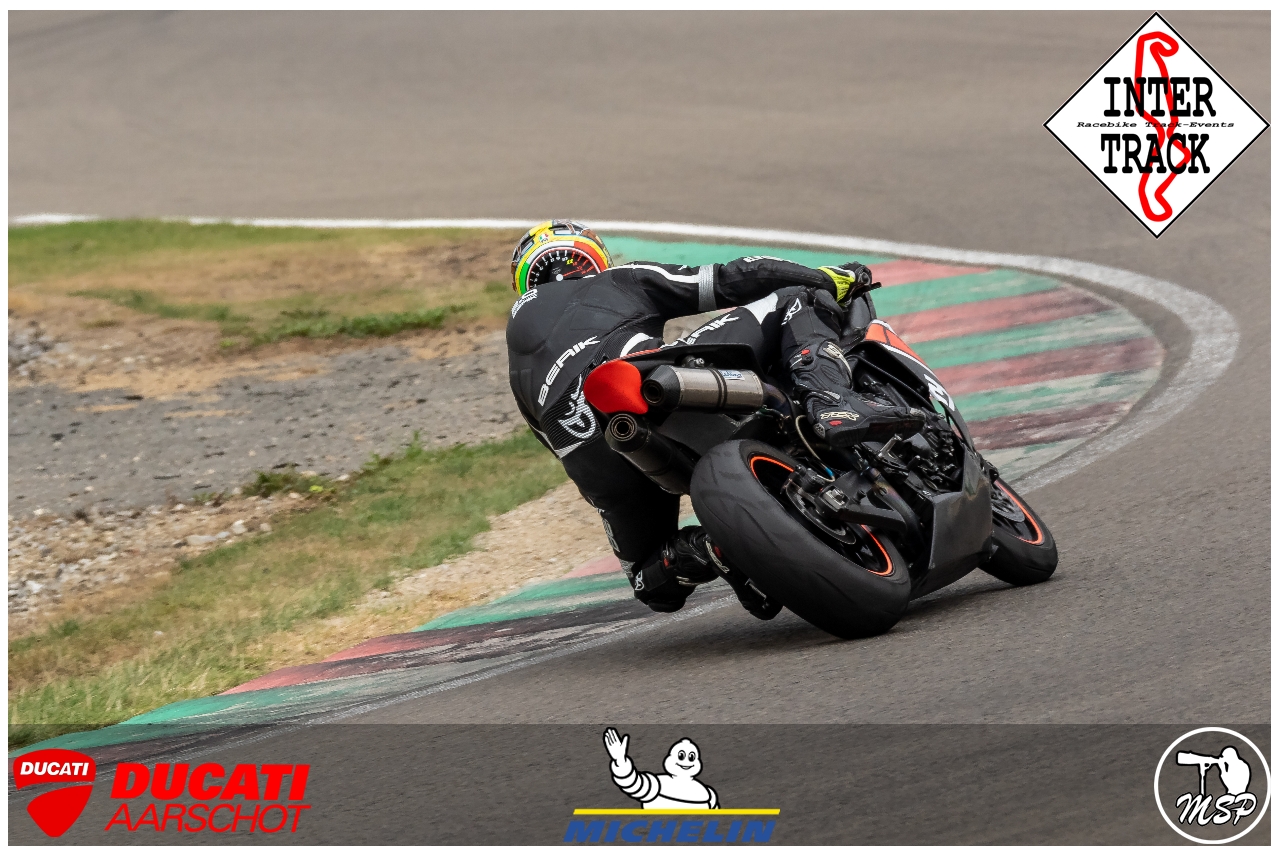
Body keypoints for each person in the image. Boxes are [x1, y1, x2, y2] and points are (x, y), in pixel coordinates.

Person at [506, 220, 924, 618]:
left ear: (525, 282)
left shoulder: (517, 368)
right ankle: (831, 399)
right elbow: (731, 278)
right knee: (798, 295)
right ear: (594, 258)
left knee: (651, 584)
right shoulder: (615, 279)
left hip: (590, 455)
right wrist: (826, 277)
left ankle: (711, 548)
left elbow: (549, 441)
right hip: (646, 377)